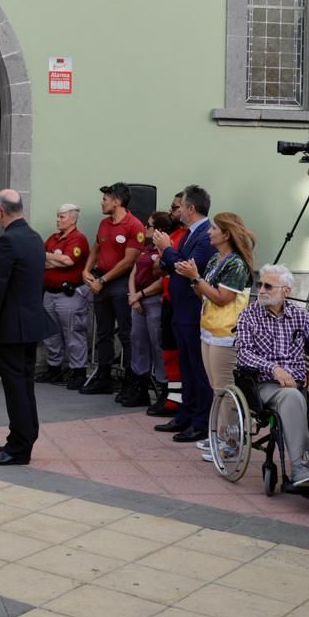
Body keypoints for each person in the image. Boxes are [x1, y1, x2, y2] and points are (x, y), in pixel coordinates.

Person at [232, 264, 309, 488]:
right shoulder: (249, 315)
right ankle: (299, 466)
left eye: (268, 286)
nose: (261, 290)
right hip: (266, 385)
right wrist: (274, 368)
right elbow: (243, 354)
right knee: (291, 397)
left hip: (302, 382)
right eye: (260, 284)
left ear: (286, 291)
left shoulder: (301, 316)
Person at [0, 190, 51, 465]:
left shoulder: (7, 241)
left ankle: (19, 447)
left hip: (10, 327)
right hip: (30, 324)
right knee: (25, 383)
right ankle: (23, 437)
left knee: (15, 386)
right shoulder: (34, 237)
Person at [153, 185, 216, 441]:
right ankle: (185, 415)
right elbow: (172, 265)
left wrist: (167, 248)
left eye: (179, 206)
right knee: (185, 365)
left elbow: (188, 266)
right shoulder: (189, 233)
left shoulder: (205, 234)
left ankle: (201, 421)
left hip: (194, 310)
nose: (175, 211)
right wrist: (167, 254)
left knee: (197, 368)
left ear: (191, 209)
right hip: (180, 308)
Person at [80, 183, 146, 396]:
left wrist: (104, 280)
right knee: (103, 332)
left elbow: (129, 261)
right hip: (101, 281)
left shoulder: (134, 225)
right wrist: (86, 270)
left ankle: (130, 378)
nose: (102, 201)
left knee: (126, 333)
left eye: (106, 198)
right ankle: (104, 376)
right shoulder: (103, 223)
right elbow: (96, 248)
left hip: (120, 283)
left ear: (117, 201)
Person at [192, 211, 256, 417]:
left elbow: (221, 298)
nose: (209, 232)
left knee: (225, 390)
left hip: (227, 334)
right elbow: (202, 293)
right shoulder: (214, 259)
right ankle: (219, 437)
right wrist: (194, 278)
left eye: (214, 229)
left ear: (227, 235)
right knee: (215, 388)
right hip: (209, 330)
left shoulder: (236, 264)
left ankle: (229, 444)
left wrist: (195, 277)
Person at [38, 204, 90, 386]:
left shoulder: (78, 239)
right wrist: (56, 258)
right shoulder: (53, 238)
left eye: (62, 217)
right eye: (58, 216)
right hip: (49, 294)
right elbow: (39, 258)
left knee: (73, 333)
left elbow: (69, 261)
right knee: (51, 335)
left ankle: (78, 373)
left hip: (69, 295)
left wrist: (51, 257)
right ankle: (54, 370)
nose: (58, 220)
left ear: (73, 219)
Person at [129, 210, 174, 413]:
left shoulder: (167, 250)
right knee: (138, 341)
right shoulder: (147, 249)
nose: (145, 228)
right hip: (138, 300)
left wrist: (141, 295)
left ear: (159, 230)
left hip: (153, 300)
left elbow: (162, 279)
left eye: (148, 225)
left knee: (157, 345)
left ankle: (164, 388)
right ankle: (139, 386)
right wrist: (132, 295)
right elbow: (134, 271)